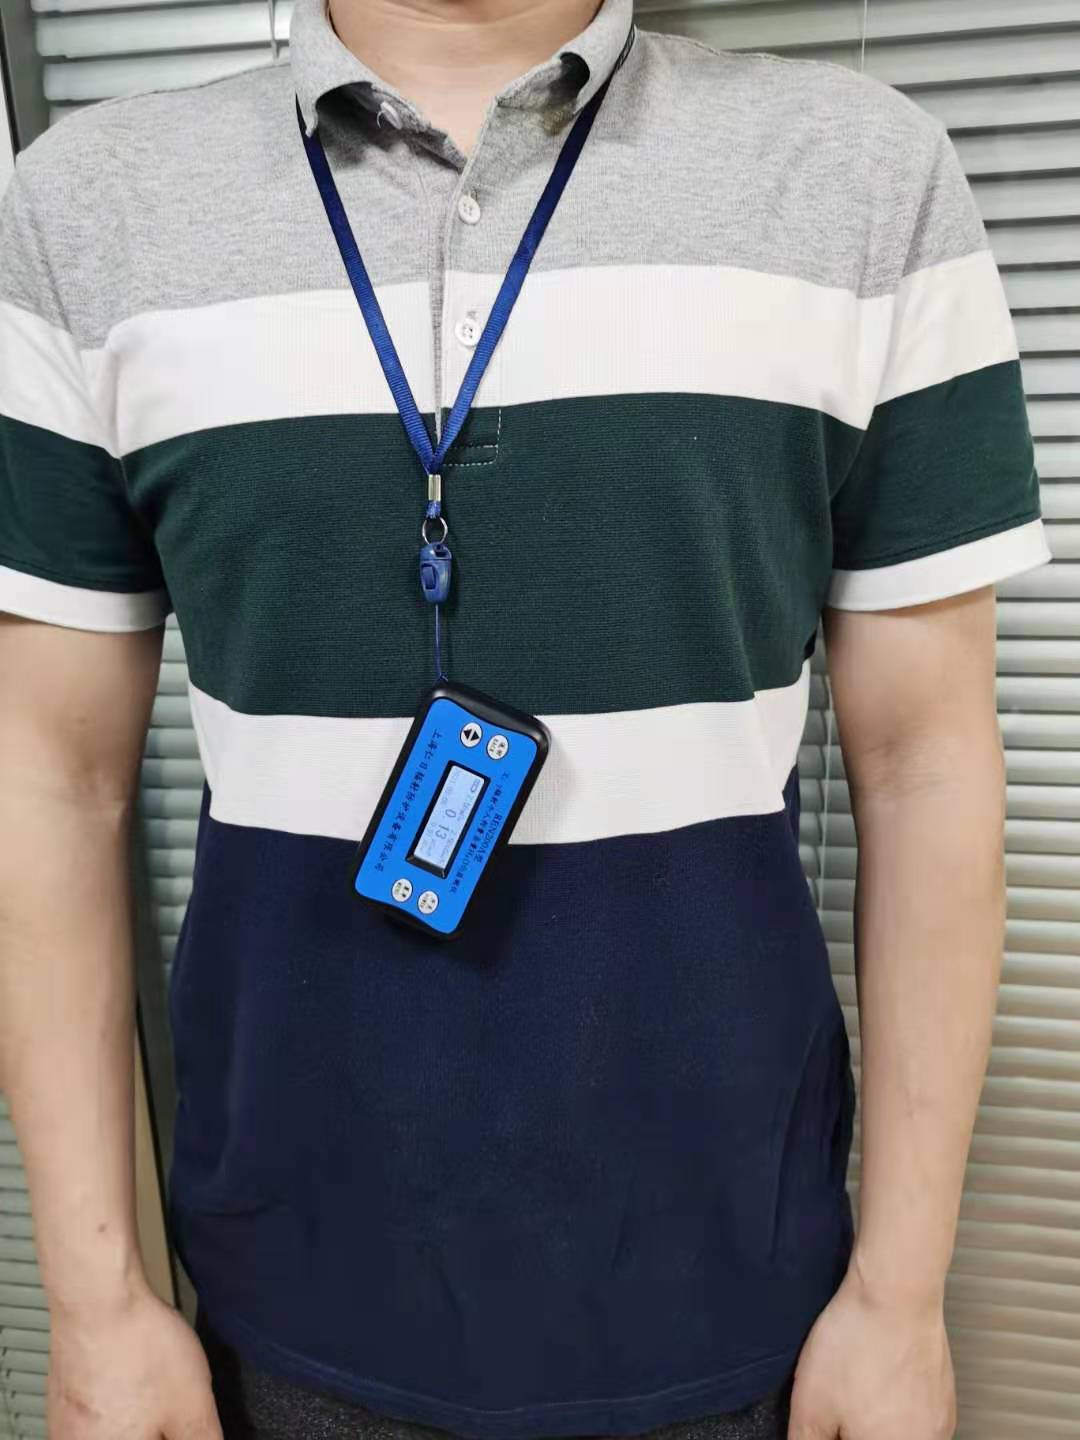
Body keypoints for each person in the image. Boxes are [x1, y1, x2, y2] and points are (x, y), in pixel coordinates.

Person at [0, 0, 1051, 1436]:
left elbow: (928, 765)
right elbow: (49, 781)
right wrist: (96, 1306)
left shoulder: (864, 173)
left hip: (735, 1301)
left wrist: (902, 1297)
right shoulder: (84, 205)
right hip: (289, 1294)